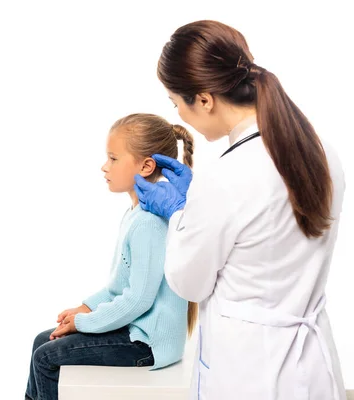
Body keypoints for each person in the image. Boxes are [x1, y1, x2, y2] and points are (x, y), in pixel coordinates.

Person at [134, 20, 347, 399]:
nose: (179, 115)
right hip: (313, 367)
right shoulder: (321, 151)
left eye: (176, 103)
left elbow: (190, 282)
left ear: (203, 99)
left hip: (249, 371)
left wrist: (180, 213)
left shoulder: (225, 177)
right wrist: (197, 207)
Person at [25, 114, 198, 400]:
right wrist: (84, 308)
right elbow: (119, 287)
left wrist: (82, 324)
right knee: (41, 341)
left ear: (146, 166)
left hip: (146, 344)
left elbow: (138, 299)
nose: (105, 166)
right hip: (134, 331)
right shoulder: (135, 215)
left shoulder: (148, 222)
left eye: (113, 158)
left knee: (45, 358)